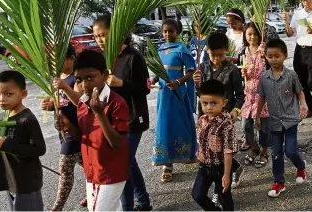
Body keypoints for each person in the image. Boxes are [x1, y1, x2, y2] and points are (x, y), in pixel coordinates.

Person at [55, 50, 130, 211]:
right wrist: (69, 127)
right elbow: (83, 136)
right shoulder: (83, 103)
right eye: (79, 79)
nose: (84, 85)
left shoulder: (116, 103)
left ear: (104, 75)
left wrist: (99, 113)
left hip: (111, 173)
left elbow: (117, 142)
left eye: (90, 78)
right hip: (92, 172)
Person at [93, 14, 152, 211]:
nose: (100, 40)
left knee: (123, 164)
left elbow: (144, 88)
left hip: (134, 118)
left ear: (117, 33)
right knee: (128, 161)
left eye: (104, 35)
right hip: (113, 120)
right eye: (96, 36)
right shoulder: (102, 59)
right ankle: (143, 201)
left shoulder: (133, 57)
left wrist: (121, 84)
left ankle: (128, 207)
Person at [0, 70, 46, 211]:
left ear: (23, 94)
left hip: (27, 182)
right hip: (10, 179)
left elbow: (39, 149)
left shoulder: (27, 119)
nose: (1, 99)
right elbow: (1, 149)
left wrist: (7, 144)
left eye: (9, 94)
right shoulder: (0, 118)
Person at [255, 39, 308, 198]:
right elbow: (261, 98)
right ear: (266, 58)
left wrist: (303, 105)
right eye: (270, 56)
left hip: (290, 119)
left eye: (277, 56)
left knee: (290, 150)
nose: (273, 59)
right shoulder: (264, 77)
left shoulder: (291, 75)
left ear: (285, 56)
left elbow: (299, 92)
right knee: (276, 153)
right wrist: (257, 116)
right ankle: (279, 182)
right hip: (274, 122)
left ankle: (301, 166)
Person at [192, 32, 245, 190]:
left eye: (220, 55)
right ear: (207, 50)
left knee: (222, 152)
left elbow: (240, 95)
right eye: (213, 54)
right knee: (210, 150)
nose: (216, 58)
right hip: (206, 117)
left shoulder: (232, 70)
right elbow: (202, 95)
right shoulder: (203, 68)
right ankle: (235, 167)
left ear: (227, 50)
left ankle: (219, 190)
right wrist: (197, 85)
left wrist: (235, 111)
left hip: (224, 118)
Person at [151, 19, 197, 182]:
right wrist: (153, 79)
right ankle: (167, 164)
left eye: (171, 31)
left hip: (178, 95)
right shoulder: (160, 49)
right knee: (164, 126)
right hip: (164, 95)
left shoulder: (181, 50)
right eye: (165, 31)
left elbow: (192, 71)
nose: (168, 34)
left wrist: (178, 82)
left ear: (177, 32)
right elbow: (159, 71)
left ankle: (187, 153)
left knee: (181, 125)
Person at [41, 45, 85, 211]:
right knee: (86, 165)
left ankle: (58, 207)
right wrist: (50, 105)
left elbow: (80, 102)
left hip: (76, 130)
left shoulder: (77, 79)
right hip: (63, 131)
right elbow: (59, 101)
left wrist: (65, 87)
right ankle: (94, 189)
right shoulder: (57, 78)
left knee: (65, 168)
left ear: (71, 59)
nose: (55, 63)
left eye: (59, 60)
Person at [192, 80, 238, 211]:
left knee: (225, 198)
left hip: (221, 168)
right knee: (197, 195)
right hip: (204, 166)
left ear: (224, 103)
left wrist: (227, 174)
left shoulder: (226, 125)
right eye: (204, 103)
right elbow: (200, 140)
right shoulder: (201, 120)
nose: (209, 107)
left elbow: (228, 151)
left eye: (214, 103)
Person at [239, 22, 270, 168]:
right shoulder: (242, 52)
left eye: (255, 34)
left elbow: (275, 66)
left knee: (264, 126)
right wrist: (242, 73)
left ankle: (265, 150)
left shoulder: (264, 50)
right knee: (246, 125)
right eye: (249, 34)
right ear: (245, 35)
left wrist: (267, 55)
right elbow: (240, 71)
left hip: (263, 93)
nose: (252, 37)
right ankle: (254, 147)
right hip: (249, 94)